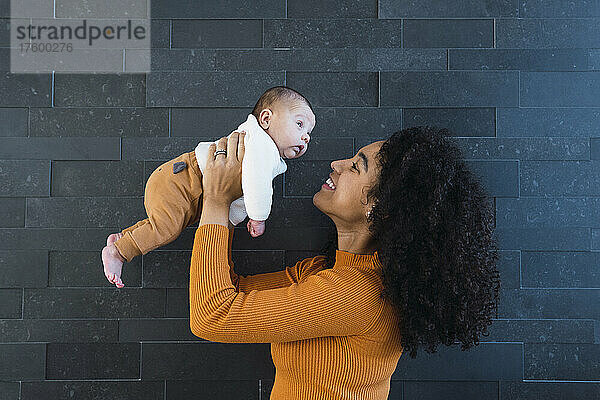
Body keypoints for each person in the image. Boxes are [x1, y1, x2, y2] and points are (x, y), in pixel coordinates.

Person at [190, 127, 501, 399]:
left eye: (356, 166)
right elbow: (230, 291)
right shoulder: (324, 272)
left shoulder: (356, 294)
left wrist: (217, 200)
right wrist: (235, 202)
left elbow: (212, 317)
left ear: (379, 208)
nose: (336, 165)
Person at [101, 86, 316, 288]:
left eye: (309, 134)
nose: (306, 137)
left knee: (161, 224)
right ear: (266, 119)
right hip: (183, 180)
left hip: (181, 180)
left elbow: (236, 194)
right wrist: (258, 217)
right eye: (300, 124)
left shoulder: (261, 147)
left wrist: (231, 221)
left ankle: (123, 238)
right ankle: (119, 252)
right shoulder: (263, 145)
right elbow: (256, 182)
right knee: (166, 229)